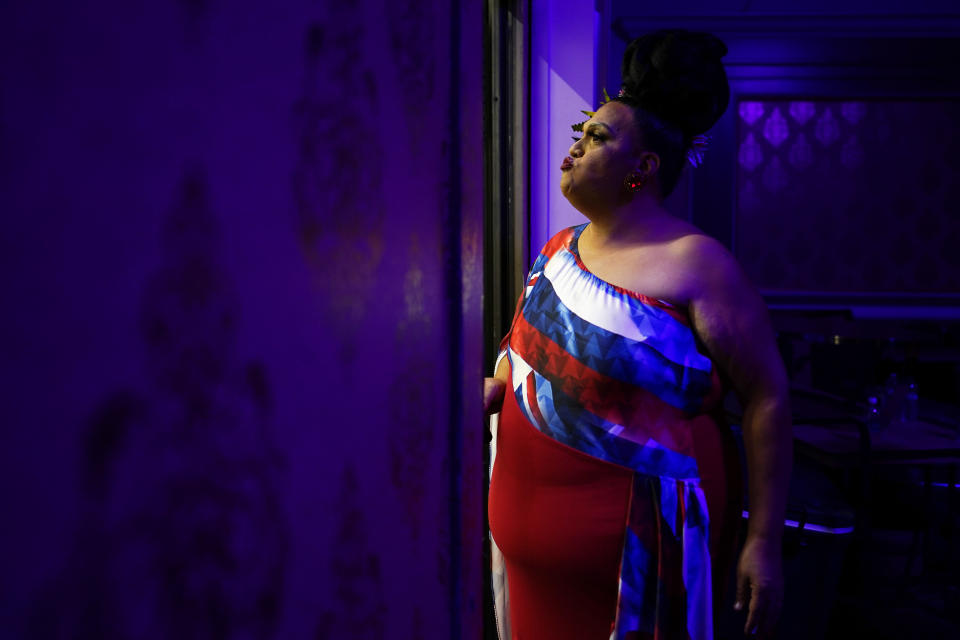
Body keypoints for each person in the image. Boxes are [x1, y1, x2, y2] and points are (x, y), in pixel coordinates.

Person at [482, 30, 792, 640]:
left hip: (636, 555)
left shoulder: (696, 264)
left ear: (643, 168)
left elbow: (768, 397)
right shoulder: (556, 250)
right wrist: (489, 389)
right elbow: (517, 358)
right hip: (525, 551)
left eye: (596, 137)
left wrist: (764, 540)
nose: (573, 151)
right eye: (579, 134)